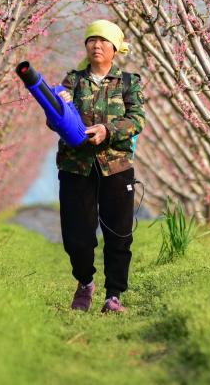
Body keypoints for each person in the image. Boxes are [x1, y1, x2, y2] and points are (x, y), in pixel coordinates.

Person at [53, 19, 145, 313]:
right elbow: (53, 118)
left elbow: (137, 120)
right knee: (77, 235)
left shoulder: (128, 82)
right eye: (92, 40)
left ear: (115, 48)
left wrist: (107, 130)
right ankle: (85, 282)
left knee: (119, 234)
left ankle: (113, 295)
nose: (97, 45)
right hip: (75, 167)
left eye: (104, 41)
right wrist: (59, 105)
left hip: (116, 167)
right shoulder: (72, 82)